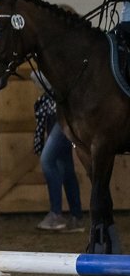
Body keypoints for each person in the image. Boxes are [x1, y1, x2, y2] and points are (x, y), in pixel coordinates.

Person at [34, 88, 84, 232]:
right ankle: (76, 217)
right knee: (65, 166)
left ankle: (56, 213)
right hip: (56, 112)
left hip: (63, 111)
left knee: (47, 160)